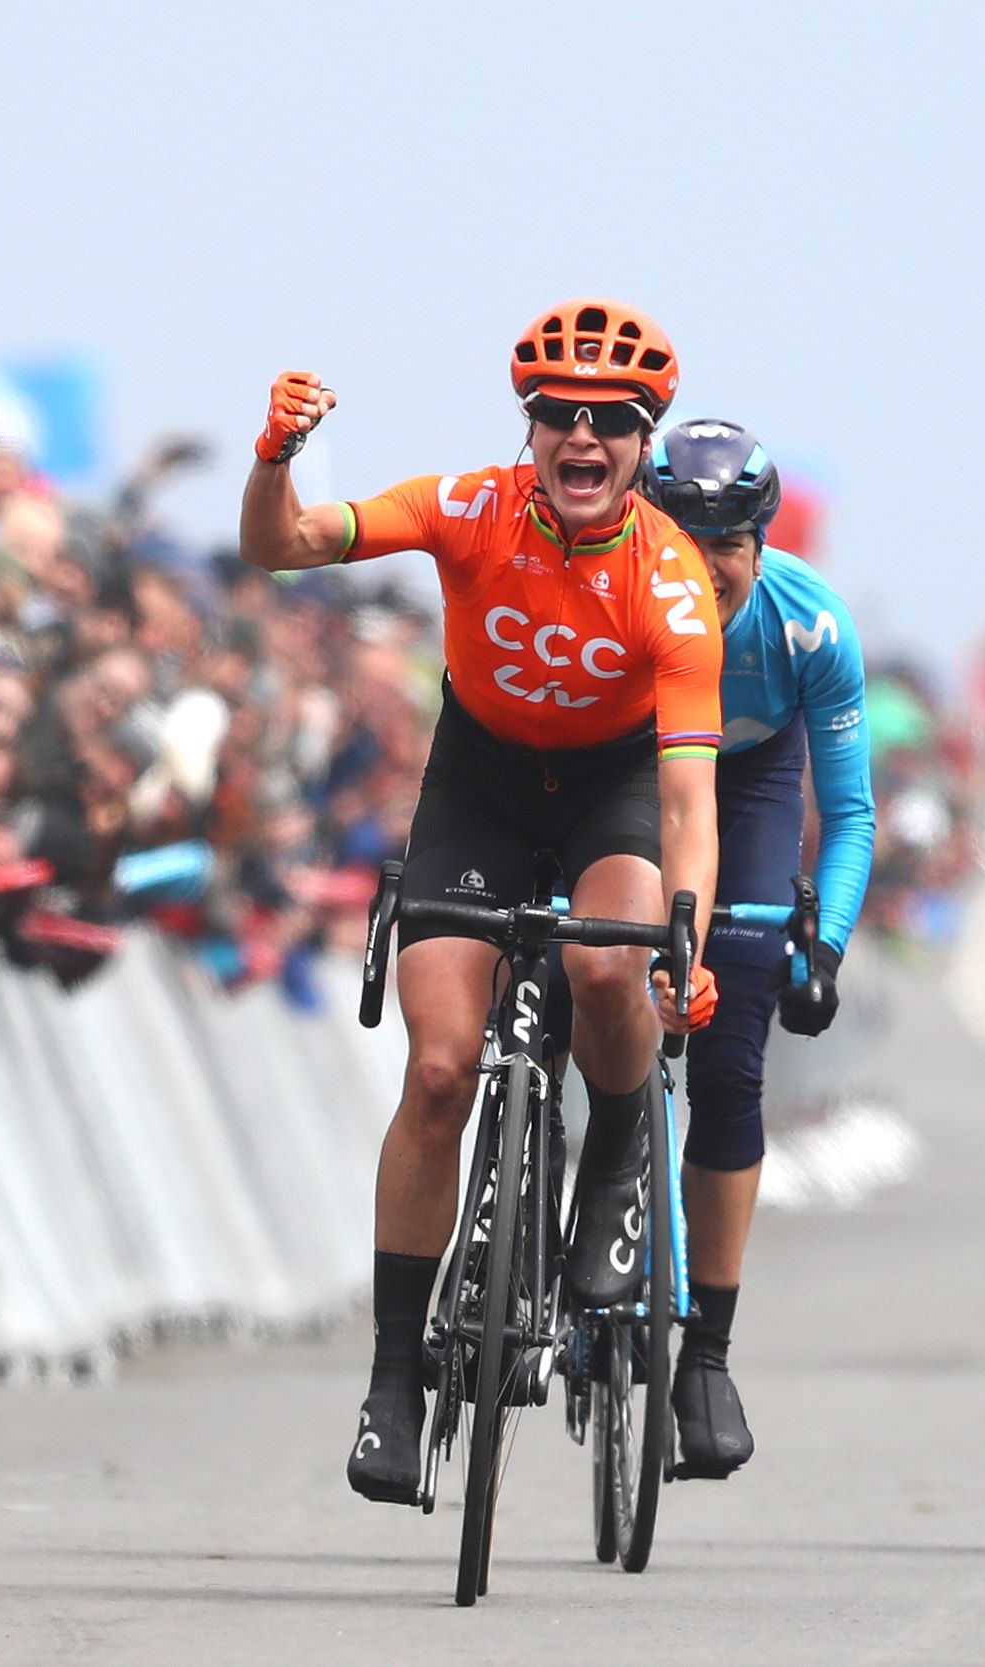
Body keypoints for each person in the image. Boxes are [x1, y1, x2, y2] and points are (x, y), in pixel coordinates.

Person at [238, 298, 725, 1507]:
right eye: (558, 414)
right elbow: (283, 546)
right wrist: (272, 461)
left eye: (610, 422)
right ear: (529, 424)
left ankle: (615, 1144)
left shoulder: (670, 581)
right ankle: (395, 1380)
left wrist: (687, 943)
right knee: (441, 1066)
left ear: (642, 441)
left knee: (610, 968)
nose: (580, 438)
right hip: (484, 785)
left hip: (612, 789)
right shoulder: (468, 510)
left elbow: (685, 805)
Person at [637, 418, 873, 1478]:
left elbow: (851, 812)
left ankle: (708, 1356)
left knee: (731, 1066)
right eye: (679, 539)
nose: (701, 565)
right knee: (568, 978)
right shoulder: (609, 598)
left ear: (762, 544)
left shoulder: (809, 626)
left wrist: (819, 944)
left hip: (749, 782)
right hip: (627, 777)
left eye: (725, 544)